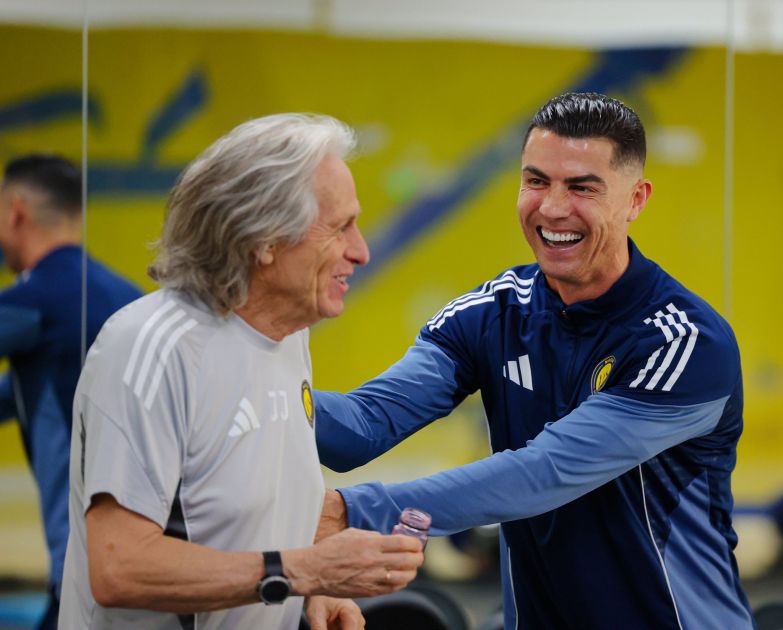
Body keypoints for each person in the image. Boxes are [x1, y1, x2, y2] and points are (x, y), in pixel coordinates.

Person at [314, 93, 755, 628]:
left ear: (635, 200)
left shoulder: (686, 343)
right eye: (536, 181)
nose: (552, 208)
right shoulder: (491, 313)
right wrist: (266, 381)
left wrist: (349, 512)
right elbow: (360, 428)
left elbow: (543, 474)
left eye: (582, 187)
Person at [58, 114, 424, 630]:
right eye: (340, 227)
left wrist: (312, 593)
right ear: (264, 239)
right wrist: (303, 572)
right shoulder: (151, 348)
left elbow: (253, 511)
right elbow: (119, 568)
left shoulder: (288, 333)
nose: (360, 251)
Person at [0, 154, 141, 629]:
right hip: (145, 553)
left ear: (16, 212)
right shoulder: (128, 297)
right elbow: (31, 390)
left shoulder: (30, 303)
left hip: (80, 574)